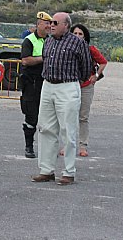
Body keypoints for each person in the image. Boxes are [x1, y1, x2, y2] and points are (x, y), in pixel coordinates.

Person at [31, 12, 92, 186]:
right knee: (45, 128)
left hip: (67, 86)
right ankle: (46, 170)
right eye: (50, 22)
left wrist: (73, 82)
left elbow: (86, 68)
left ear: (66, 25)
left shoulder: (78, 43)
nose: (51, 25)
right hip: (48, 85)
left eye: (55, 23)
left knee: (68, 130)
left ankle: (69, 172)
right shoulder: (48, 41)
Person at [19, 11, 53, 158]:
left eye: (50, 24)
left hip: (48, 82)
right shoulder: (29, 40)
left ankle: (49, 148)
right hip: (32, 83)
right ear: (38, 24)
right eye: (46, 23)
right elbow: (25, 60)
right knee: (31, 116)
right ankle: (29, 147)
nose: (48, 26)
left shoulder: (52, 40)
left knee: (49, 118)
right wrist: (43, 58)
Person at [70, 24, 107, 157]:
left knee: (83, 117)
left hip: (86, 86)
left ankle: (83, 145)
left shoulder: (91, 49)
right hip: (70, 85)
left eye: (80, 34)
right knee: (68, 116)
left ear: (85, 36)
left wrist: (95, 76)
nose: (77, 36)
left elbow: (103, 62)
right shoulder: (67, 48)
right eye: (75, 33)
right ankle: (67, 145)